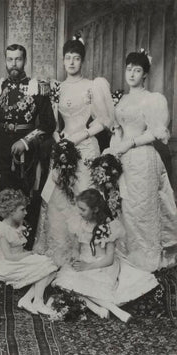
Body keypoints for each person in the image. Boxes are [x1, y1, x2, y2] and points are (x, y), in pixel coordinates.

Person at [33, 35, 115, 266]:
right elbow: (52, 123)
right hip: (64, 146)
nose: (71, 62)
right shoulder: (57, 87)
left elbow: (103, 120)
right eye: (67, 58)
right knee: (59, 198)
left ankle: (89, 252)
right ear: (63, 60)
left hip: (86, 146)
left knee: (84, 195)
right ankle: (59, 248)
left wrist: (80, 136)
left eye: (76, 58)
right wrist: (58, 138)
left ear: (83, 61)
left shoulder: (92, 86)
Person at [107, 50, 177, 272]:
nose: (132, 74)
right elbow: (118, 127)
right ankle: (125, 252)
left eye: (137, 70)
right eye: (129, 69)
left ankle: (145, 255)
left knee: (142, 207)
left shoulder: (152, 99)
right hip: (122, 158)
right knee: (125, 205)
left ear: (145, 75)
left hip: (143, 156)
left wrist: (130, 143)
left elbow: (156, 132)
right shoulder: (123, 99)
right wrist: (114, 146)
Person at [0, 44, 56, 238]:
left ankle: (24, 240)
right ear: (5, 61)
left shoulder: (37, 88)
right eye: (10, 59)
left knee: (24, 196)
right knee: (1, 194)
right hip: (0, 149)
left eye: (18, 59)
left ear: (25, 61)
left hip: (27, 152)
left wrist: (26, 141)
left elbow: (49, 124)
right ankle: (2, 240)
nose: (14, 64)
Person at [53, 189, 158, 322]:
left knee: (78, 285)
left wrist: (88, 266)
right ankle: (98, 309)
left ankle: (114, 310)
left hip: (102, 265)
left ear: (95, 209)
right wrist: (76, 257)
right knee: (64, 282)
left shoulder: (109, 227)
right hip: (85, 261)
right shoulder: (78, 223)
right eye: (78, 208)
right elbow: (76, 248)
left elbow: (109, 259)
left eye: (83, 209)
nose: (79, 212)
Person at [0, 189, 57, 315]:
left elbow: (18, 250)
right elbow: (9, 256)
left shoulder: (16, 227)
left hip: (15, 260)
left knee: (52, 264)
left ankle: (28, 299)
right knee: (47, 264)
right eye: (22, 210)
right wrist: (31, 254)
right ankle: (38, 301)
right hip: (5, 265)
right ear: (11, 211)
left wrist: (34, 254)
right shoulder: (1, 230)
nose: (26, 212)